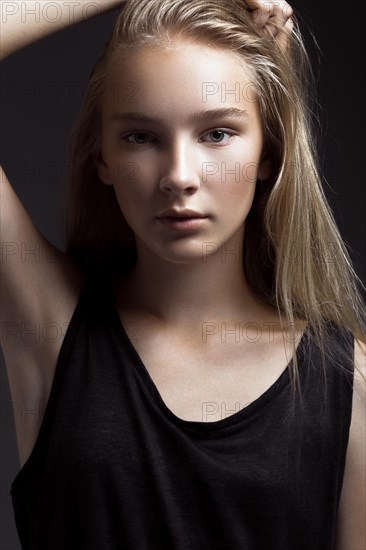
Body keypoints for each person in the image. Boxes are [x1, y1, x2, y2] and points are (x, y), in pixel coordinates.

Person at [0, 0, 365, 548]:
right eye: (140, 137)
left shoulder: (350, 383)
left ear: (270, 150)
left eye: (217, 134)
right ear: (100, 157)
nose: (178, 176)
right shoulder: (54, 328)